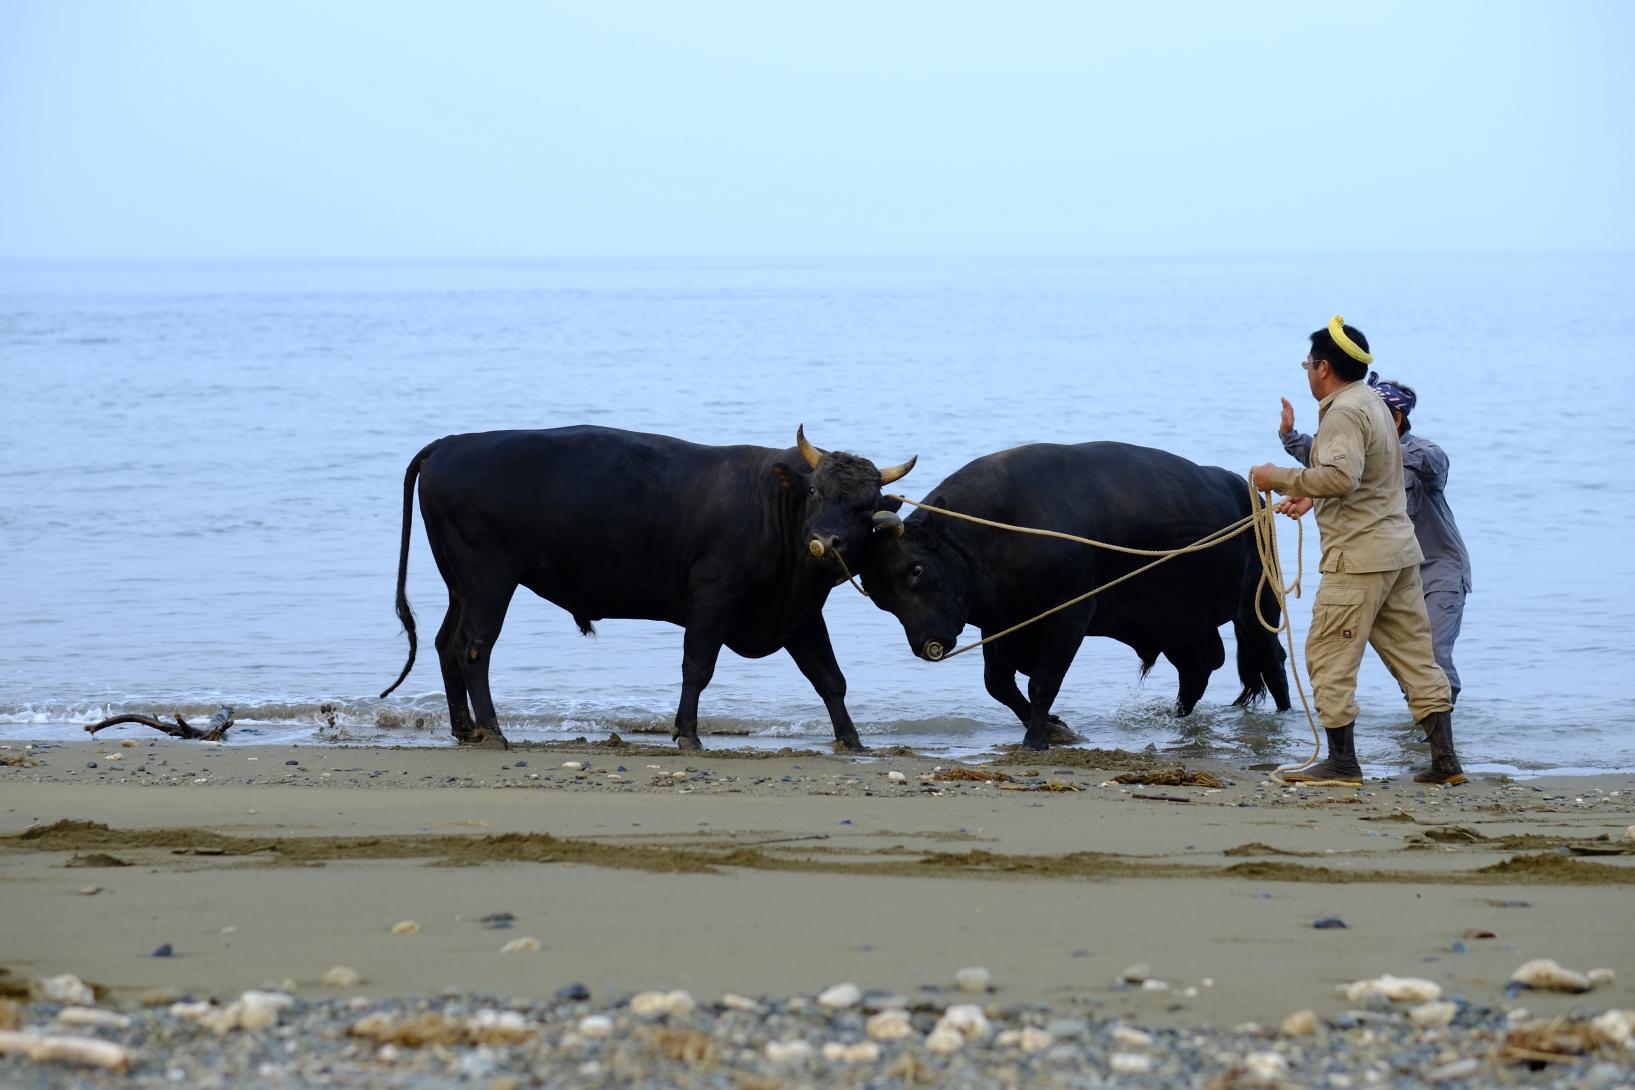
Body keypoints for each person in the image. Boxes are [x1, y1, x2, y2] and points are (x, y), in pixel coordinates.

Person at [1250, 316, 1463, 786]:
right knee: (1417, 659)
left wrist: (1276, 478)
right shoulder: (1372, 402)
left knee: (1327, 654)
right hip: (1400, 555)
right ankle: (1446, 763)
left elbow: (1341, 478)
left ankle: (1343, 764)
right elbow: (1362, 474)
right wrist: (1309, 484)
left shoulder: (1344, 410)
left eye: (1308, 364)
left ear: (1324, 368)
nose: (1307, 372)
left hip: (1359, 560)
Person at [1279, 378, 1472, 702]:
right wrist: (1289, 437)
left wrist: (1375, 451)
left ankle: (1438, 736)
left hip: (1438, 571)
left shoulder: (1424, 455)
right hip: (1388, 566)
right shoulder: (1356, 453)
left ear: (1395, 419)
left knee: (1432, 657)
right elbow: (1323, 458)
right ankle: (1417, 737)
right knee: (1407, 662)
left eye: (1373, 415)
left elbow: (1436, 464)